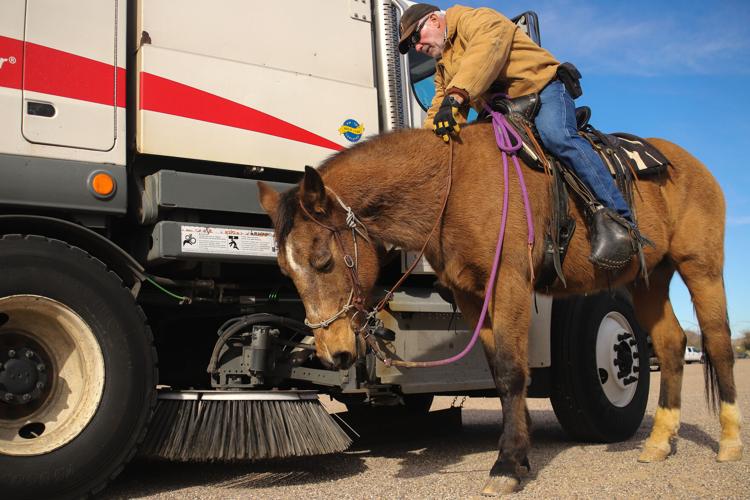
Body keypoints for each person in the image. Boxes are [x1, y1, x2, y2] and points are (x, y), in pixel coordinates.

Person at [398, 3, 637, 270]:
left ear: (434, 19)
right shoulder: (443, 64)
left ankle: (620, 219)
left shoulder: (475, 19)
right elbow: (439, 102)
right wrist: (423, 150)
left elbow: (485, 51)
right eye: (411, 47)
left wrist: (456, 97)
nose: (417, 48)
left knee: (557, 137)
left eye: (416, 38)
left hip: (544, 89)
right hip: (508, 109)